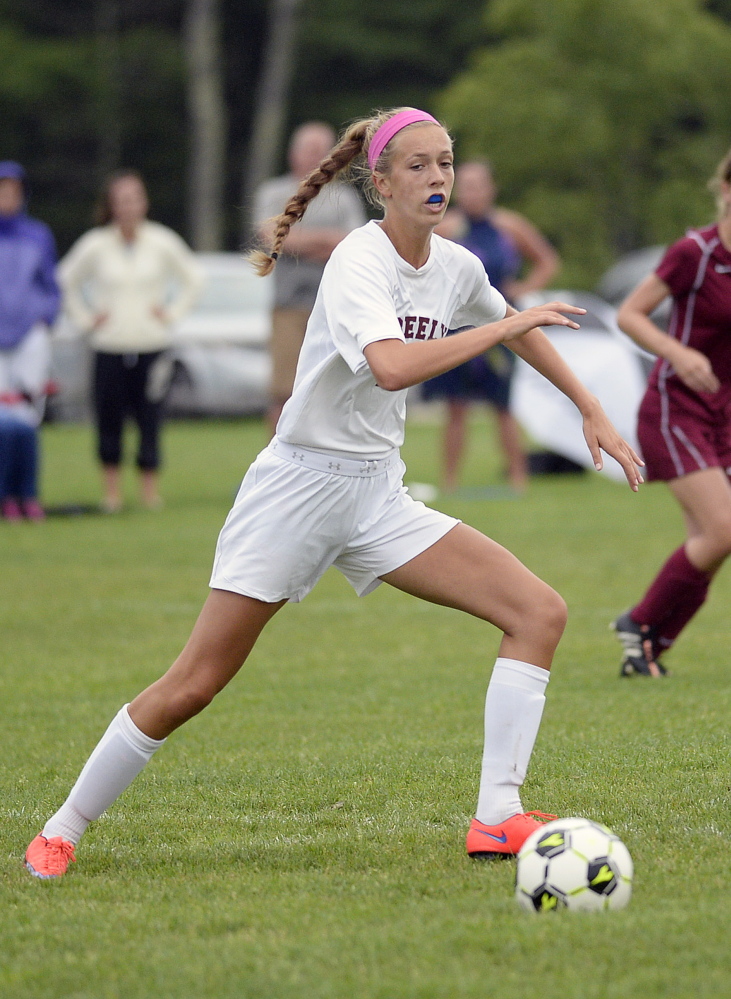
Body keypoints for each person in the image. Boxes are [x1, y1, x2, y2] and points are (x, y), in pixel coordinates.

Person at [24, 108, 642, 880]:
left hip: (377, 495)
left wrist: (588, 405)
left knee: (537, 611)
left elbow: (519, 326)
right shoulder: (358, 258)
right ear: (378, 183)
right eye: (416, 166)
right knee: (195, 683)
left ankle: (496, 815)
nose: (437, 179)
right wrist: (500, 330)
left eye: (445, 163)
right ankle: (61, 826)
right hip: (297, 489)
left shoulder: (454, 265)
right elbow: (391, 364)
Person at [611, 148, 731, 678]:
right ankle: (640, 622)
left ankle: (647, 644)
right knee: (723, 531)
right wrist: (680, 355)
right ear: (725, 190)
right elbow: (629, 315)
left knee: (710, 542)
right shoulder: (695, 252)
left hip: (723, 414)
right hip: (674, 407)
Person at [59, 170, 202, 513]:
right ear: (111, 205)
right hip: (109, 346)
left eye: (135, 198)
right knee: (108, 417)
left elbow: (193, 279)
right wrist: (86, 319)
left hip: (151, 345)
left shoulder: (162, 241)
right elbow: (66, 279)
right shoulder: (96, 244)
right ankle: (112, 493)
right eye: (122, 200)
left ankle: (149, 492)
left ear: (144, 202)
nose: (130, 206)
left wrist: (169, 313)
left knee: (149, 418)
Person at [424, 160, 560, 492]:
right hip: (457, 325)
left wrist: (523, 290)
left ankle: (517, 477)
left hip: (500, 321)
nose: (472, 193)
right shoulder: (447, 228)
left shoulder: (509, 226)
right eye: (466, 186)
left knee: (503, 404)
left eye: (478, 185)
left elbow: (547, 261)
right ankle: (450, 483)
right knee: (455, 406)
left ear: (491, 190)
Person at [254, 122, 366, 434]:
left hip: (332, 308)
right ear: (293, 153)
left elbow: (352, 243)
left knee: (331, 390)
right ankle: (276, 468)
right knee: (283, 392)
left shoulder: (344, 198)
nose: (315, 157)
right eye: (309, 150)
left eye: (321, 151)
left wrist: (299, 241)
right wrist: (324, 242)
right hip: (288, 306)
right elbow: (272, 238)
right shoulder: (274, 193)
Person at [0, 160, 61, 519]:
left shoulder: (37, 235)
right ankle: (6, 494)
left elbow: (51, 287)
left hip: (28, 339)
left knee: (24, 418)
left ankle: (28, 493)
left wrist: (44, 319)